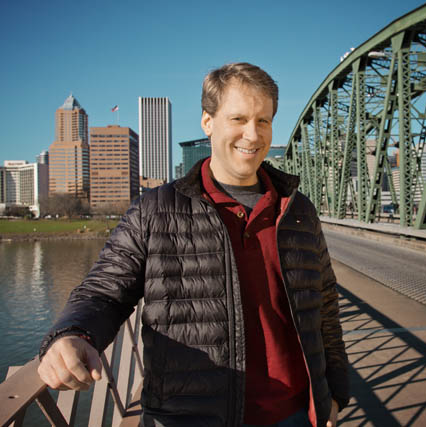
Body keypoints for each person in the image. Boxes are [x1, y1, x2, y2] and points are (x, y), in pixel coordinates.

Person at [37, 62, 349, 427]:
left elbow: (325, 305)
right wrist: (71, 334)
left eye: (263, 121)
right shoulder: (154, 210)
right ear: (207, 122)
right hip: (192, 419)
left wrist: (335, 394)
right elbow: (103, 292)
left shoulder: (297, 210)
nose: (253, 134)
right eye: (238, 119)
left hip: (295, 415)